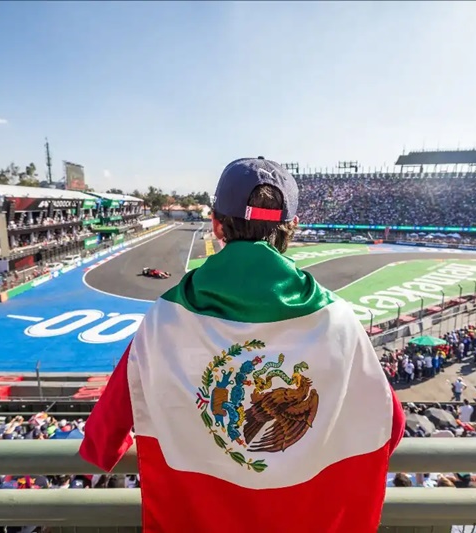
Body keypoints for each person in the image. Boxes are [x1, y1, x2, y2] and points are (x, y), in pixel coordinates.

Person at [80, 157, 405, 533]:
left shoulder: (163, 318)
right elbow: (390, 426)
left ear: (216, 224)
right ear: (292, 227)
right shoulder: (338, 319)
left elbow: (103, 440)